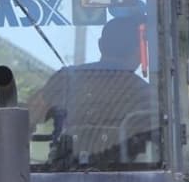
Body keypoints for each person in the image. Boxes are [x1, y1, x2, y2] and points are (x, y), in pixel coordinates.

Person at [26, 15, 160, 167]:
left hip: (62, 172)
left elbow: (28, 116)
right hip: (129, 177)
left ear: (100, 45)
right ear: (139, 52)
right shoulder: (146, 94)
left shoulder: (65, 79)